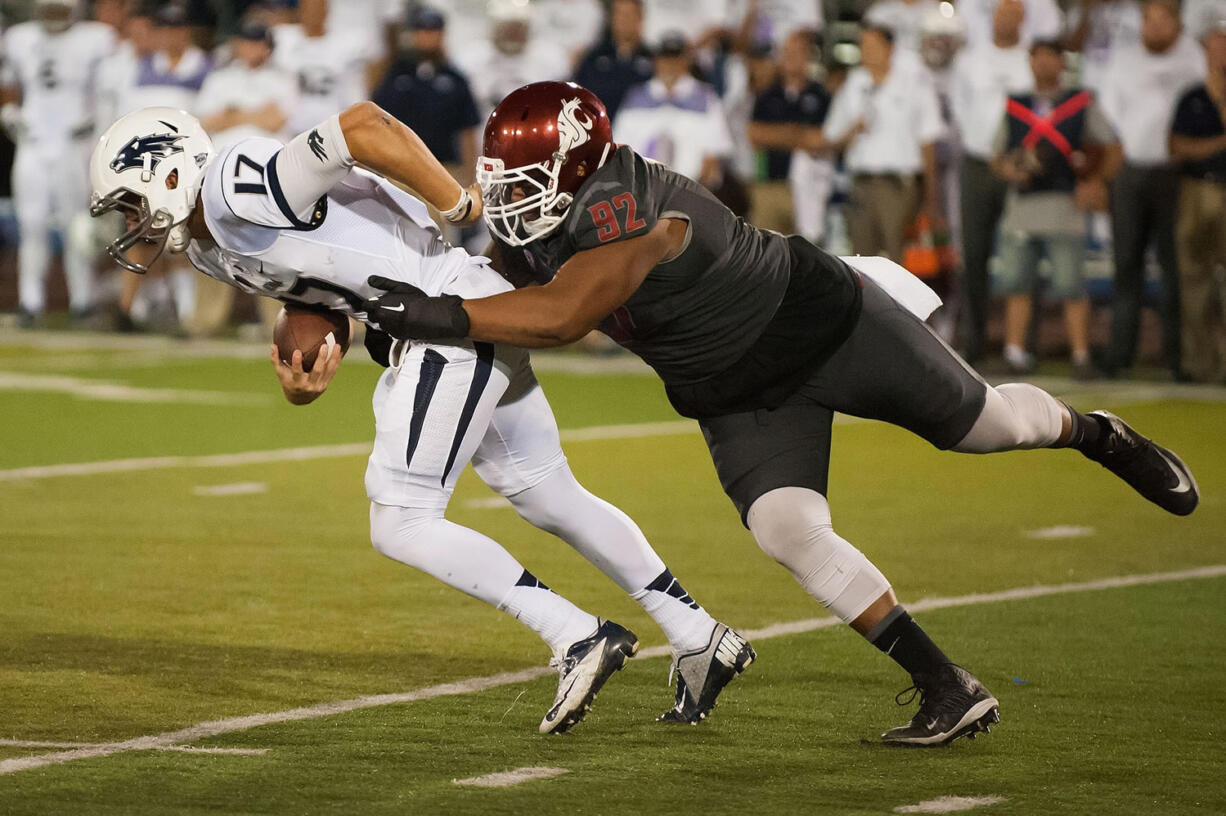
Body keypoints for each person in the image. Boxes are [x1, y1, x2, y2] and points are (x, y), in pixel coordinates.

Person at [365, 80, 1201, 746]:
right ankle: (947, 687)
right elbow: (505, 291)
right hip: (733, 390)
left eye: (524, 182)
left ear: (581, 167)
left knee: (986, 427)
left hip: (824, 327)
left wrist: (436, 317)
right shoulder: (547, 218)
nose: (506, 199)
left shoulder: (635, 206)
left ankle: (1099, 433)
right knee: (788, 531)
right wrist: (384, 321)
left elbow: (560, 316)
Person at [87, 101, 750, 735]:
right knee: (550, 495)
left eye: (130, 202)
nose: (131, 224)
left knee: (401, 518)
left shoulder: (231, 186)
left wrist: (457, 202)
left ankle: (575, 632)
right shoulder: (208, 246)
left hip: (451, 319)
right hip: (456, 316)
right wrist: (307, 368)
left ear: (168, 171)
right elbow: (325, 285)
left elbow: (362, 127)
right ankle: (698, 636)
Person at [990, 39, 1121, 377]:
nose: (1045, 64)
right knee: (1017, 282)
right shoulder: (1016, 105)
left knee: (1071, 284)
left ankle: (1080, 356)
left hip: (1065, 201)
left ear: (1062, 63)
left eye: (1052, 57)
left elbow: (1112, 147)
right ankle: (1015, 352)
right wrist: (1011, 170)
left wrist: (1095, 183)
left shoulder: (1079, 103)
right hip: (1023, 203)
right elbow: (998, 155)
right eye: (1039, 57)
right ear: (1030, 61)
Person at [1100, 0, 1205, 379]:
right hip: (1131, 170)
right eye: (1149, 18)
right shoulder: (1124, 61)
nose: (1155, 26)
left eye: (1163, 18)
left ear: (1177, 22)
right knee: (1126, 266)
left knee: (1175, 268)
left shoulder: (1194, 58)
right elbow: (1109, 122)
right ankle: (1118, 357)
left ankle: (1180, 359)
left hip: (1176, 173)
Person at [0, 0, 115, 327]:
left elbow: (105, 91)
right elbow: (9, 83)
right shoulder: (21, 38)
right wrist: (10, 112)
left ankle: (83, 298)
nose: (53, 17)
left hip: (72, 142)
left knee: (76, 224)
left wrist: (95, 124)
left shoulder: (96, 38)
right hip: (34, 140)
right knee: (31, 224)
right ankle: (30, 300)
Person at [952, 0, 1034, 363]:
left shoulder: (1031, 60)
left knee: (1024, 255)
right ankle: (975, 343)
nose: (1006, 20)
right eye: (1001, 13)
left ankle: (1019, 344)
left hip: (1020, 167)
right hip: (978, 165)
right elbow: (958, 111)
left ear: (1023, 18)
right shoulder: (970, 59)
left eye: (1013, 13)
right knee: (974, 254)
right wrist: (987, 151)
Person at [822, 25, 944, 262]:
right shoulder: (854, 84)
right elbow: (832, 139)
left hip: (899, 187)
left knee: (899, 259)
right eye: (863, 46)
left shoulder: (914, 83)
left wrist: (931, 198)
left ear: (890, 49)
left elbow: (928, 142)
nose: (867, 52)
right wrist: (851, 131)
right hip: (860, 184)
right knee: (861, 261)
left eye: (873, 46)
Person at [1169, 19, 1226, 383]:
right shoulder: (1191, 96)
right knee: (1193, 280)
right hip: (1194, 191)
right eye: (1215, 46)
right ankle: (1199, 364)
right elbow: (1177, 148)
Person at [613, 31, 734, 189]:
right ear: (656, 60)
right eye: (666, 57)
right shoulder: (636, 97)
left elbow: (713, 159)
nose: (671, 64)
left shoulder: (705, 98)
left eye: (676, 57)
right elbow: (619, 151)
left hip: (689, 194)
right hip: (641, 194)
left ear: (687, 60)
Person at [747, 30, 832, 243]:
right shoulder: (768, 95)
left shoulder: (821, 95)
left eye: (797, 53)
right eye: (787, 53)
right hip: (771, 185)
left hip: (810, 187)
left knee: (809, 254)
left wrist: (778, 135)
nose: (790, 58)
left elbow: (821, 139)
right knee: (765, 254)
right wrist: (797, 134)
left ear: (809, 57)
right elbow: (755, 135)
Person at [572, 0, 655, 120]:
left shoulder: (652, 59)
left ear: (640, 18)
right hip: (599, 129)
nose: (624, 20)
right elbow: (579, 95)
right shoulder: (594, 57)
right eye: (619, 14)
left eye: (629, 15)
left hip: (639, 130)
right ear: (611, 19)